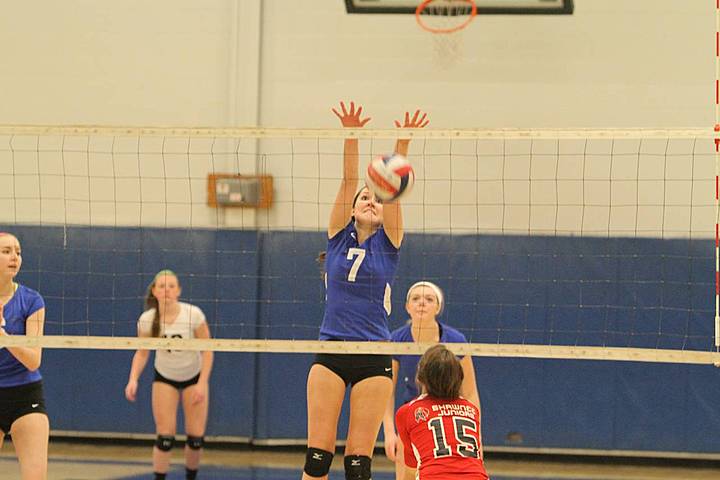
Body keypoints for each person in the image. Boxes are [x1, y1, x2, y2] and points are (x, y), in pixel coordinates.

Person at [302, 101, 428, 480]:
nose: (371, 201)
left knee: (358, 465)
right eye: (364, 198)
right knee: (318, 459)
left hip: (374, 353)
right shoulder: (338, 238)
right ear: (353, 209)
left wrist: (401, 146)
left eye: (375, 198)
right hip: (333, 349)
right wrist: (351, 135)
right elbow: (347, 180)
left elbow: (392, 192)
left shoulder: (389, 242)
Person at [383, 281, 481, 480]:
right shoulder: (396, 339)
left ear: (438, 307)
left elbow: (470, 394)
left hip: (449, 417)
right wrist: (389, 433)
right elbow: (387, 391)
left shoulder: (456, 341)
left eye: (429, 299)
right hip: (414, 417)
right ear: (407, 307)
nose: (422, 303)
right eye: (416, 299)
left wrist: (476, 439)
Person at [124, 270, 213, 480]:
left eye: (172, 286)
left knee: (195, 438)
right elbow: (142, 352)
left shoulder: (193, 314)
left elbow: (208, 350)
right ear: (154, 291)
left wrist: (202, 383)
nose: (167, 291)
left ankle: (191, 477)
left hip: (194, 376)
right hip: (165, 377)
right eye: (162, 286)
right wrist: (133, 379)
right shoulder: (147, 320)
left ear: (179, 290)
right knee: (165, 437)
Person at [395, 344, 488, 480]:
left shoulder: (407, 412)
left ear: (419, 378)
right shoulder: (471, 410)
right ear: (459, 378)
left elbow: (410, 471)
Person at [0, 232, 48, 480]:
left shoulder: (32, 300)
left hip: (25, 393)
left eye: (17, 252)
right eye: (6, 251)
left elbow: (33, 360)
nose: (14, 257)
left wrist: (3, 335)